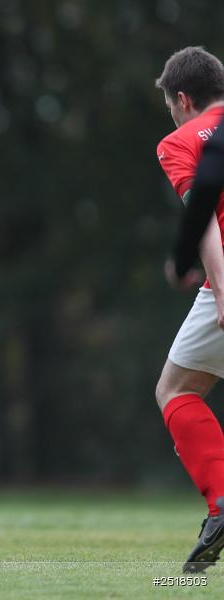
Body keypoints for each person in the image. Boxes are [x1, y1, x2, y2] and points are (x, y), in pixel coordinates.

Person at [154, 46, 224, 573]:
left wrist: (221, 289)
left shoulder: (180, 141)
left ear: (183, 99)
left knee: (176, 389)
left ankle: (222, 502)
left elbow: (204, 220)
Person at [167, 123, 224, 289]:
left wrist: (220, 291)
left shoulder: (176, 143)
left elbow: (204, 197)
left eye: (170, 107)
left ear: (183, 101)